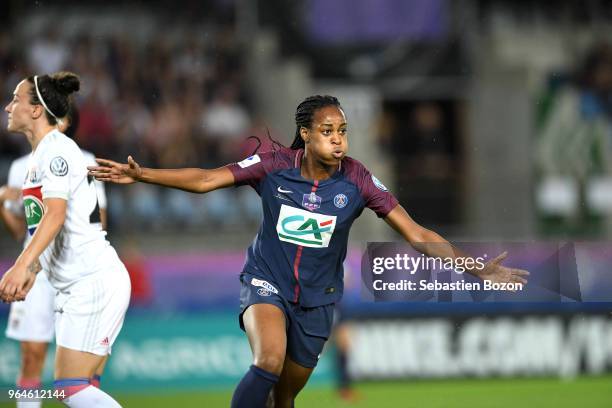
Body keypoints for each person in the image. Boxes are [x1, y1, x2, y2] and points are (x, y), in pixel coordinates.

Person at [88, 95, 528, 408]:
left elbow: (415, 232)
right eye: (327, 131)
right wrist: (143, 174)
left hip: (318, 301)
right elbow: (206, 181)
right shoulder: (273, 165)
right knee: (268, 360)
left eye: (343, 132)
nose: (338, 140)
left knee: (284, 397)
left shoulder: (357, 180)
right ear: (305, 134)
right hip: (266, 282)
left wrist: (471, 266)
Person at [0, 71, 130, 408]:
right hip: (74, 285)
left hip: (92, 282)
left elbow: (56, 216)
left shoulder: (56, 151)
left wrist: (20, 265)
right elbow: (51, 227)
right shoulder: (37, 159)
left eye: (16, 99)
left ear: (36, 111)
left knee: (70, 388)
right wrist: (33, 270)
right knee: (73, 387)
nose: (7, 107)